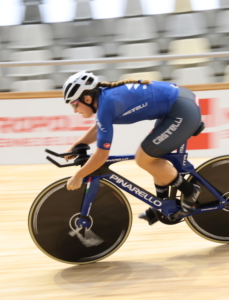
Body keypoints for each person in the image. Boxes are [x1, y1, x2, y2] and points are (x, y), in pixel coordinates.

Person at [62, 70, 202, 225]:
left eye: (74, 104)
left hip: (182, 110)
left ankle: (190, 191)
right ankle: (162, 204)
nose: (75, 110)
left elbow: (101, 155)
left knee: (144, 158)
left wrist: (79, 175)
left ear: (87, 98)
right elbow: (100, 127)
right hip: (179, 104)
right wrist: (77, 146)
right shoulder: (104, 98)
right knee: (153, 156)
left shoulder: (106, 105)